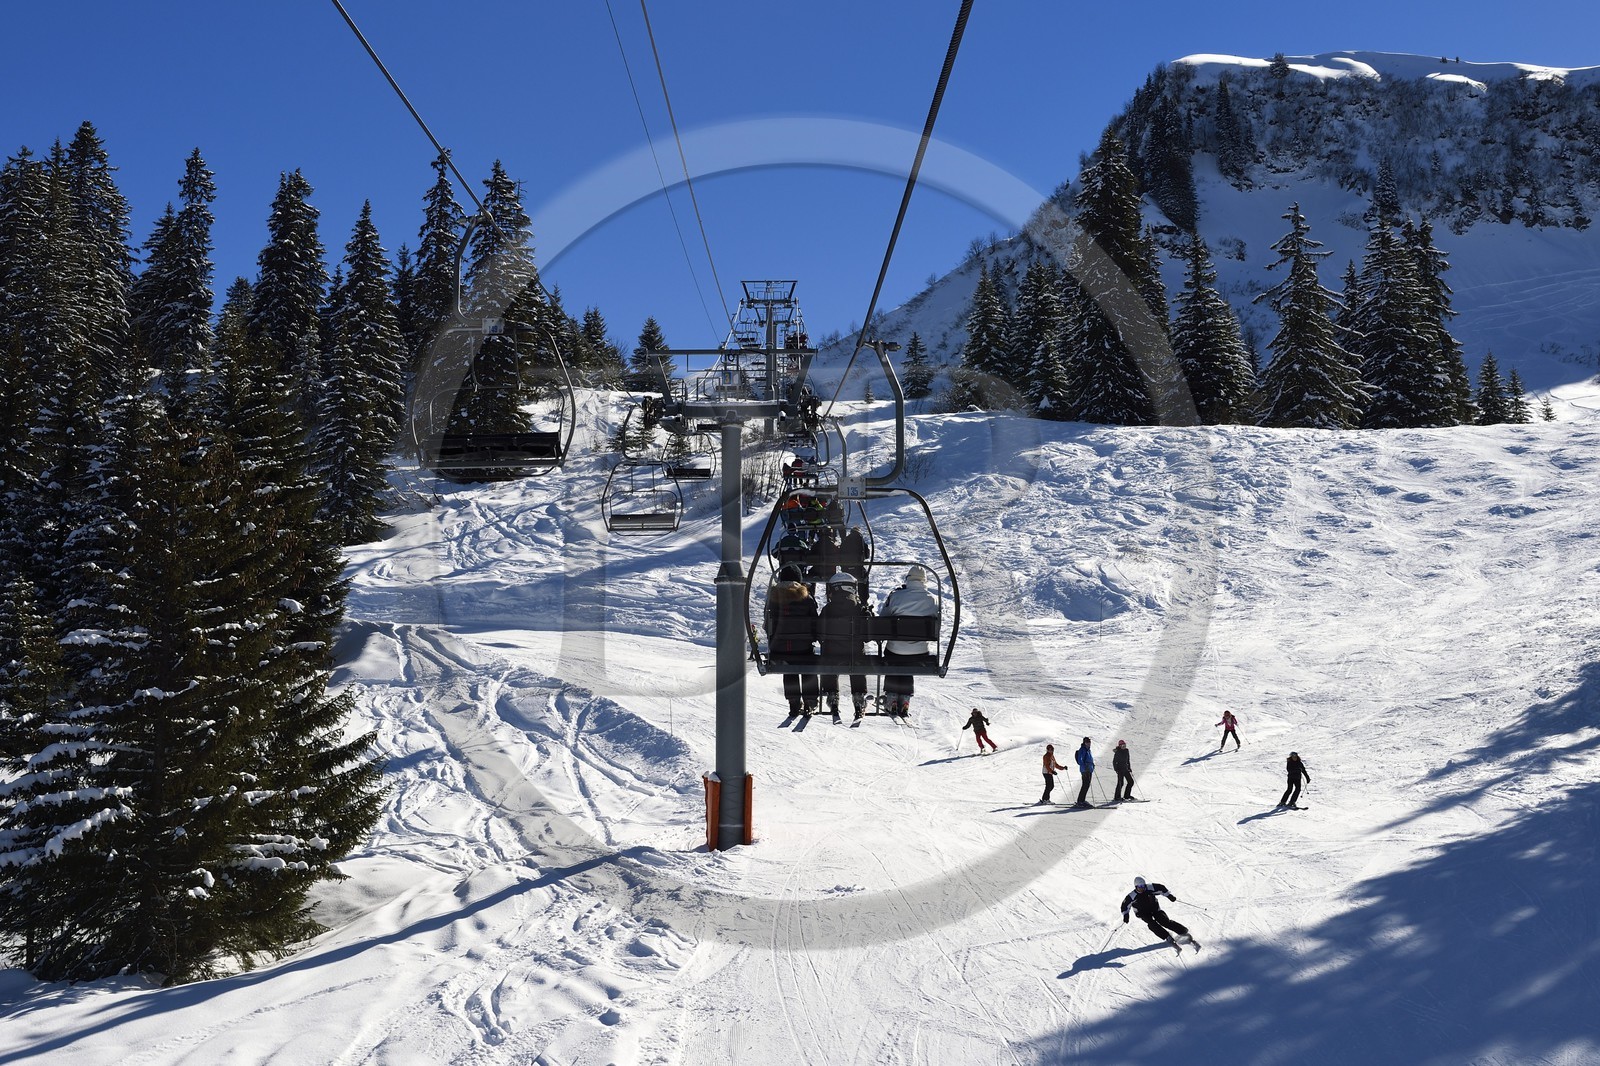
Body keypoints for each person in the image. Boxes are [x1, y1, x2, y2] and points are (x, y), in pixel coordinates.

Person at [878, 566, 938, 717]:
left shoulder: (896, 596)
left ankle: (891, 697)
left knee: (895, 657)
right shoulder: (933, 599)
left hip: (895, 650)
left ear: (908, 578)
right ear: (924, 580)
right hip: (920, 652)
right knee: (909, 661)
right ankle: (904, 700)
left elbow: (883, 618)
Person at [765, 564, 819, 717]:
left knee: (788, 664)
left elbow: (767, 623)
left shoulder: (773, 598)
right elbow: (815, 621)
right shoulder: (806, 597)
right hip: (802, 646)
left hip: (779, 648)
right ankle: (810, 701)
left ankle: (794, 702)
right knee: (807, 662)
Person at [818, 572, 870, 720]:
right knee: (858, 660)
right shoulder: (859, 608)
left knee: (828, 658)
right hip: (854, 654)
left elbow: (819, 632)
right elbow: (867, 636)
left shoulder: (827, 609)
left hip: (831, 654)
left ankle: (832, 697)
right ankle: (859, 699)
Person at [1120, 876, 1200, 952]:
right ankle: (1167, 937)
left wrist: (1169, 895)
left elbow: (1161, 887)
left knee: (1164, 921)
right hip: (1143, 913)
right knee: (1152, 924)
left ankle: (1183, 931)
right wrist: (1126, 915)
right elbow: (1125, 905)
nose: (1142, 888)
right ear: (1136, 887)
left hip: (1154, 908)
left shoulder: (1149, 888)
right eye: (1139, 886)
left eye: (1143, 885)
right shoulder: (1132, 896)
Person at [837, 525, 869, 600]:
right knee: (864, 578)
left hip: (846, 570)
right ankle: (863, 599)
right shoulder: (861, 541)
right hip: (858, 569)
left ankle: (847, 597)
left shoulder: (845, 541)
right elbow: (867, 555)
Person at [1072, 736, 1096, 808]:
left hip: (1089, 769)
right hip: (1085, 770)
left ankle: (1082, 800)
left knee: (1086, 785)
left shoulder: (1088, 750)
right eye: (1087, 742)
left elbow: (1089, 759)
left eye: (1089, 742)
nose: (1089, 743)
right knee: (1085, 785)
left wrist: (1092, 765)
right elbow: (1080, 760)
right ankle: (1080, 801)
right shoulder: (1082, 749)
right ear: (1084, 743)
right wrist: (1085, 767)